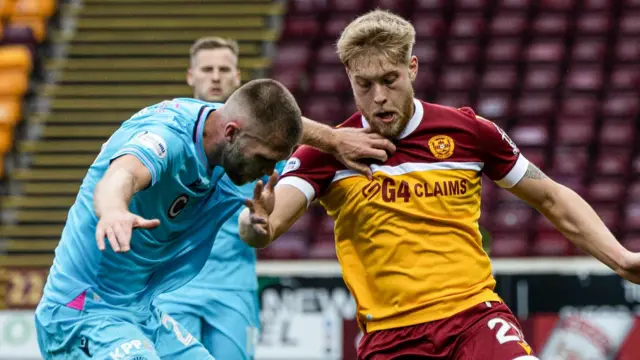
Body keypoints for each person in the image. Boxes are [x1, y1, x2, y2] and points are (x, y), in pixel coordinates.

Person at [238, 10, 640, 360]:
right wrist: (254, 224)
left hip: (474, 317)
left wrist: (621, 259)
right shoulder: (327, 152)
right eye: (364, 85)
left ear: (412, 68)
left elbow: (552, 197)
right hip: (390, 339)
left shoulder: (468, 132)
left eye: (390, 79)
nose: (379, 98)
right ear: (348, 78)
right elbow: (267, 227)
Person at [153, 36, 395, 360]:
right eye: (207, 69)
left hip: (234, 291)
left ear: (238, 77)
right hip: (173, 287)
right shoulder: (176, 135)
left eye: (223, 69)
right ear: (190, 76)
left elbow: (291, 136)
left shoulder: (268, 148)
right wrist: (334, 137)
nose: (215, 76)